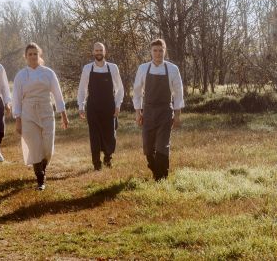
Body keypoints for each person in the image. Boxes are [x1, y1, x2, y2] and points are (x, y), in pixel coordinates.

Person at [12, 43, 69, 191]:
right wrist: (18, 119)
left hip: (46, 111)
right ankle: (40, 179)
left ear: (39, 55)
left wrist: (63, 114)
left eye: (35, 54)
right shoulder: (21, 75)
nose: (32, 57)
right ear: (25, 57)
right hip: (28, 113)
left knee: (47, 148)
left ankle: (43, 167)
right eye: (30, 54)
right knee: (35, 147)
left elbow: (57, 94)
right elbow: (16, 99)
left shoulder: (48, 73)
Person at [133, 38, 184, 181]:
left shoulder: (173, 69)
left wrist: (177, 114)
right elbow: (137, 92)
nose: (158, 54)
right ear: (151, 52)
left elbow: (178, 93)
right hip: (148, 111)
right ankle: (155, 169)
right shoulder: (143, 68)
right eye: (155, 50)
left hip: (165, 112)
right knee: (148, 147)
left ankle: (162, 178)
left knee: (162, 145)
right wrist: (138, 113)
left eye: (160, 50)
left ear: (165, 51)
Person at [77, 42, 124, 170]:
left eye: (101, 50)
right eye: (96, 50)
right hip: (93, 107)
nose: (98, 52)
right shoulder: (87, 68)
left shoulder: (113, 68)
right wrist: (81, 106)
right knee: (94, 136)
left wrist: (118, 105)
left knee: (110, 134)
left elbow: (120, 89)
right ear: (93, 52)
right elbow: (82, 89)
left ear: (105, 52)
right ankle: (96, 164)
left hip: (109, 106)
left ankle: (108, 158)